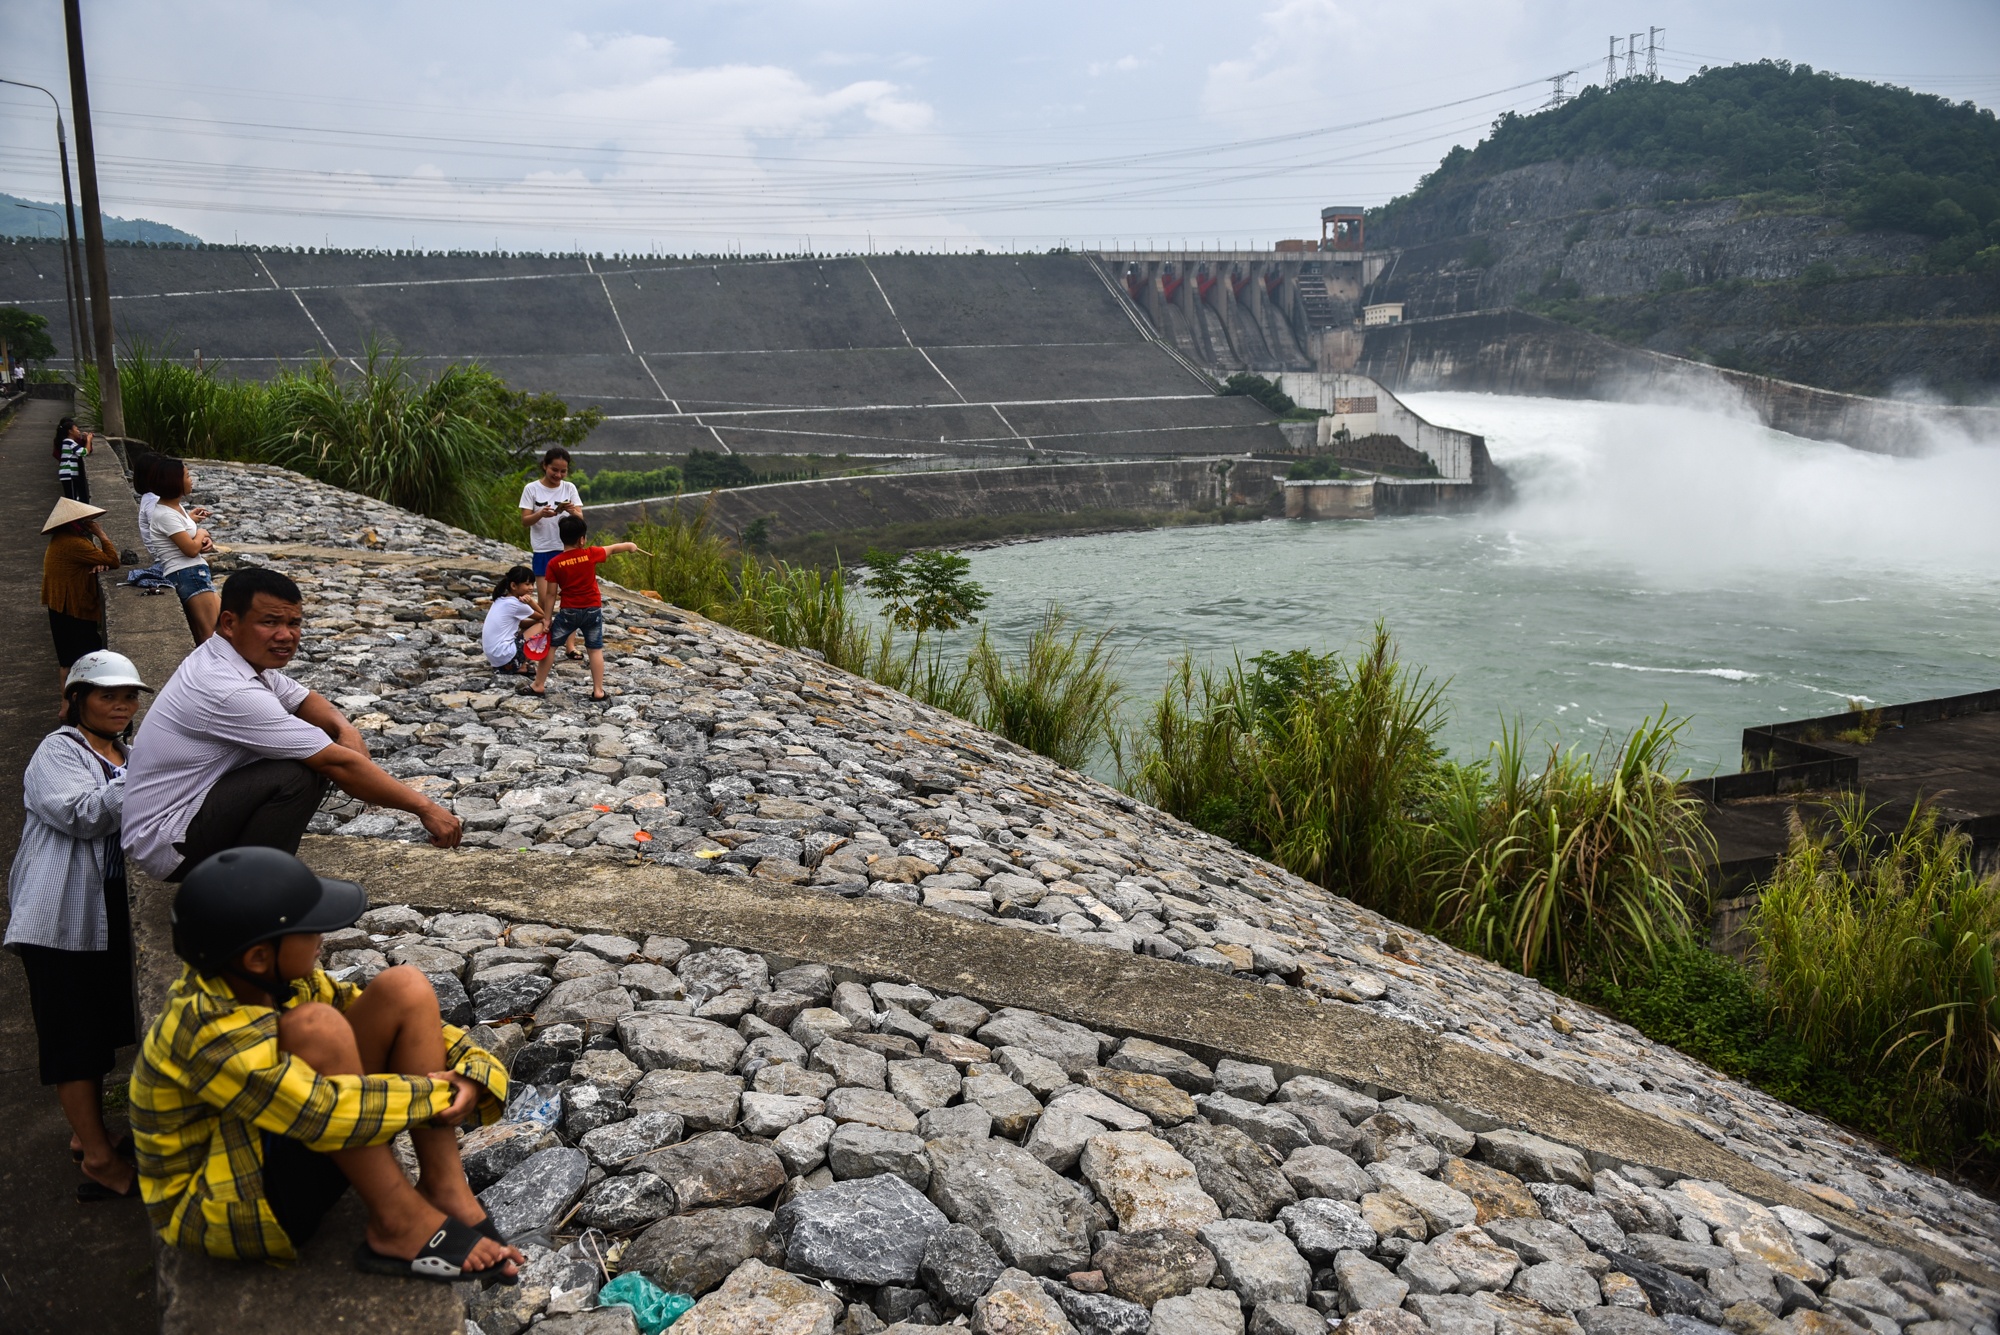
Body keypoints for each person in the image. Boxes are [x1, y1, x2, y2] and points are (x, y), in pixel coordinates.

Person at [128, 847, 521, 1279]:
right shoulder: (204, 1029)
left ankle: (444, 1188)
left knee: (404, 987)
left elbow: (396, 1020)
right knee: (317, 1028)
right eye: (309, 928)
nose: (324, 937)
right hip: (228, 1202)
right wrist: (441, 1095)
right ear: (258, 957)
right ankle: (398, 1221)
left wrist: (471, 1072)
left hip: (281, 1143)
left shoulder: (272, 982)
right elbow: (320, 1109)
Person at [122, 566, 464, 883]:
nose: (286, 636)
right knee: (298, 773)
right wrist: (425, 808)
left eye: (294, 623)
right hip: (166, 842)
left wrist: (347, 730)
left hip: (182, 812)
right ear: (229, 623)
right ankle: (256, 889)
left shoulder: (231, 657)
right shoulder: (228, 688)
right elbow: (336, 762)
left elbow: (304, 700)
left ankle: (253, 870)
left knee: (309, 751)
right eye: (270, 622)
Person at [6, 652, 151, 1203]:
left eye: (129, 696)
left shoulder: (126, 754)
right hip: (58, 913)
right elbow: (82, 814)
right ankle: (98, 1160)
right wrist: (151, 772)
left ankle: (85, 1135)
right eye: (107, 695)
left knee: (97, 1026)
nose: (121, 706)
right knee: (72, 1037)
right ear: (77, 700)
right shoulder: (57, 750)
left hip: (103, 907)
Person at [529, 514, 640, 703]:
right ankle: (598, 691)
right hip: (592, 610)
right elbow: (613, 549)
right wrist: (630, 546)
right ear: (582, 539)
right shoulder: (590, 554)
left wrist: (547, 619)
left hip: (569, 612)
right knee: (594, 649)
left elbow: (550, 594)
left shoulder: (554, 563)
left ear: (561, 537)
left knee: (552, 645)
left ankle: (538, 685)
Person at [41, 496, 122, 695]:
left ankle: (66, 704)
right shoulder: (73, 543)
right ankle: (74, 703)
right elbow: (113, 560)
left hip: (60, 605)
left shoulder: (61, 539)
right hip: (71, 608)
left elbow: (96, 558)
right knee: (83, 657)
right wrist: (101, 534)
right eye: (84, 521)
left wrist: (97, 561)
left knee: (67, 660)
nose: (88, 524)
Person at [139, 453, 221, 643]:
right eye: (187, 476)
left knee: (218, 629)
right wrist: (201, 533)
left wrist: (200, 536)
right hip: (187, 574)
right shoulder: (164, 514)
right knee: (211, 636)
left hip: (192, 572)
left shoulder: (175, 507)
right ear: (175, 482)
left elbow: (184, 538)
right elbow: (190, 549)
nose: (191, 480)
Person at [518, 447, 583, 622]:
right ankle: (544, 629)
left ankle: (566, 634)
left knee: (569, 597)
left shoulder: (569, 488)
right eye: (554, 470)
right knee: (544, 599)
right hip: (543, 549)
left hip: (567, 549)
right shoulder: (531, 489)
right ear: (545, 466)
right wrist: (540, 514)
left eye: (563, 471)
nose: (558, 475)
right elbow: (525, 520)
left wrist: (572, 510)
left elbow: (580, 519)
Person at [480, 565, 546, 677]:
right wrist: (531, 602)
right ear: (513, 585)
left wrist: (537, 622)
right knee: (543, 626)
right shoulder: (515, 604)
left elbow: (521, 624)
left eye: (532, 584)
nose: (531, 588)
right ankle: (521, 666)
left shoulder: (501, 599)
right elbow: (543, 616)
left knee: (539, 624)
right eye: (527, 584)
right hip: (504, 657)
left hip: (496, 658)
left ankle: (517, 663)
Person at [54, 417, 94, 504]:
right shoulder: (69, 442)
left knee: (72, 497)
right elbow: (84, 452)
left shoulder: (67, 442)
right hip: (69, 474)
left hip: (68, 474)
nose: (79, 431)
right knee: (72, 499)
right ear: (70, 431)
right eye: (76, 429)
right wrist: (88, 440)